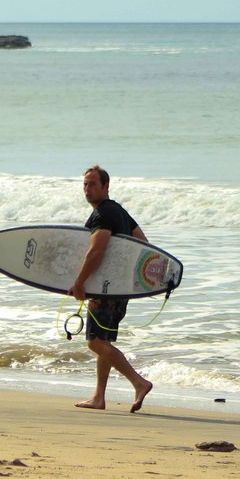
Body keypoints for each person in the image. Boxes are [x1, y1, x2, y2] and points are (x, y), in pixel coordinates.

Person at [69, 165, 154, 412]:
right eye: (85, 184)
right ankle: (98, 397)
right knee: (103, 341)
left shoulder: (103, 214)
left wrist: (80, 283)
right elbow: (143, 244)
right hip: (119, 290)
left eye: (93, 184)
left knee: (95, 342)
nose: (87, 189)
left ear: (106, 187)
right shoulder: (119, 211)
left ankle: (139, 382)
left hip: (104, 289)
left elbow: (96, 250)